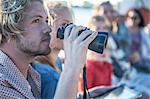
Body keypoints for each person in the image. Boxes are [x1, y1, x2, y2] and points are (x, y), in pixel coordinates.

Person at [0, 0, 98, 98]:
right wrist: (71, 67)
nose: (48, 29)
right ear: (8, 29)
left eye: (47, 21)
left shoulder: (32, 75)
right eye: (36, 21)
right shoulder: (2, 82)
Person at [32, 1, 73, 98]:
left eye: (72, 25)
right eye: (64, 25)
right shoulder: (49, 76)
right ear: (47, 28)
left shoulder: (57, 61)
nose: (71, 30)